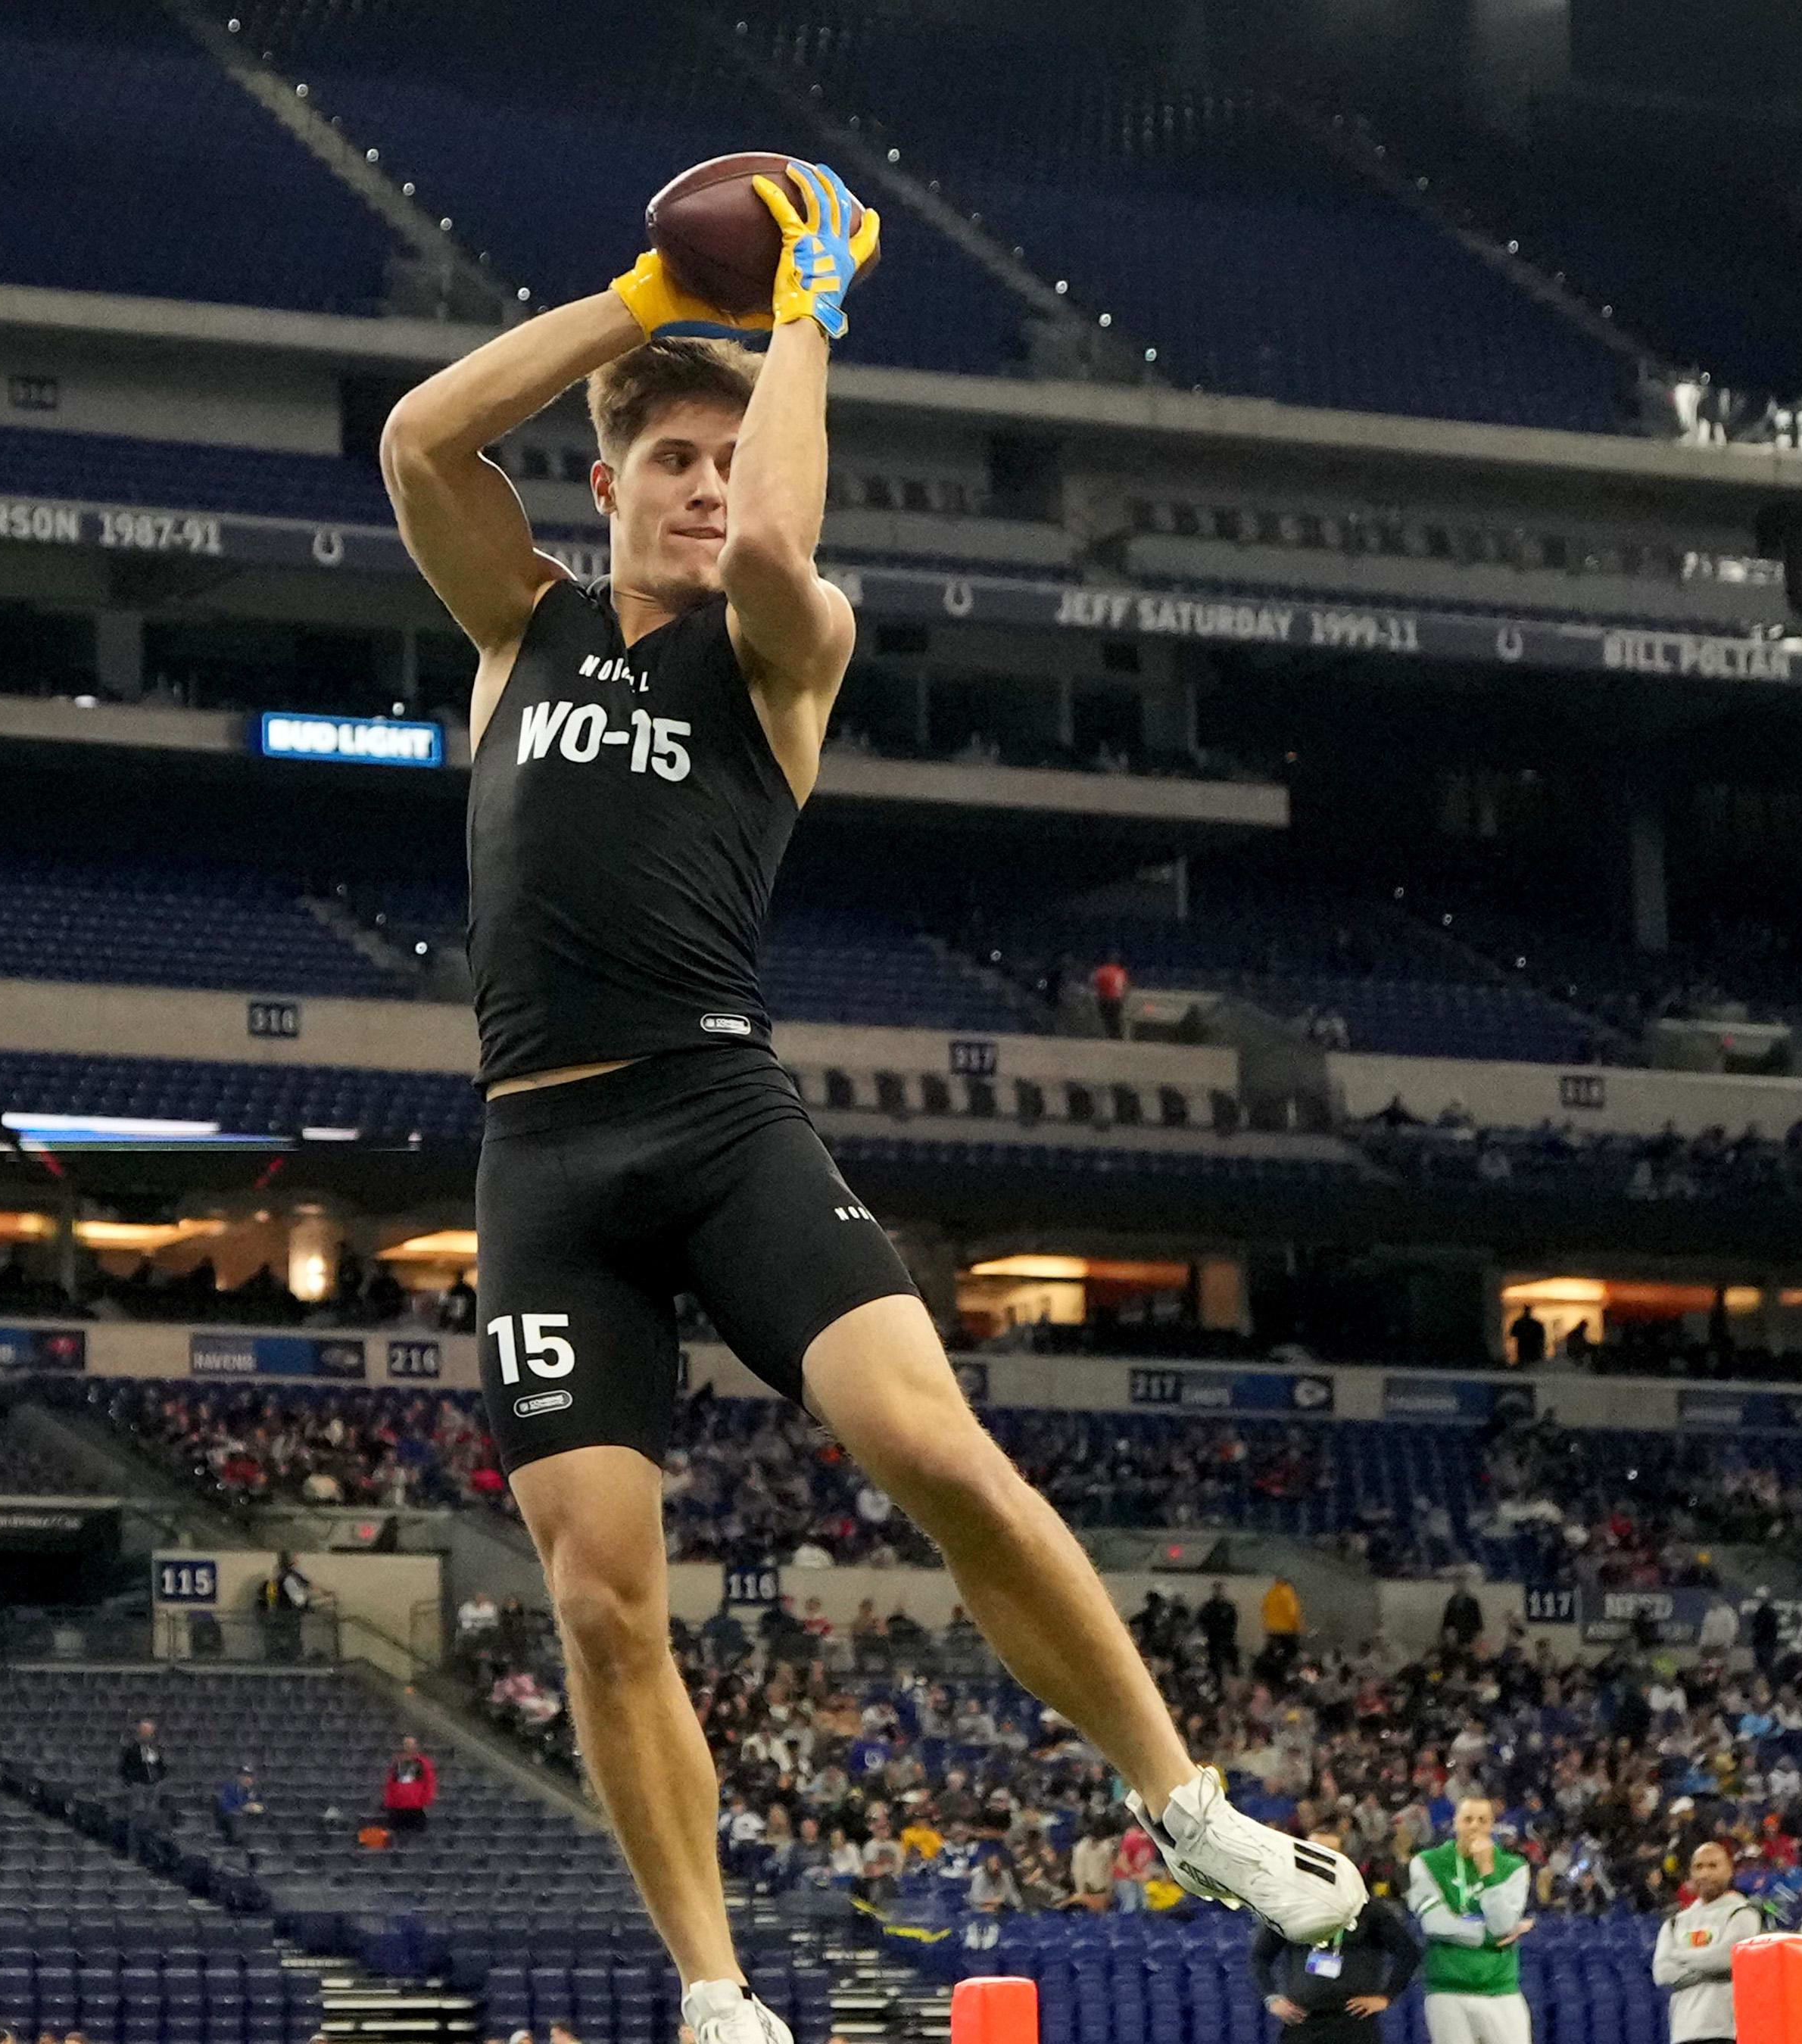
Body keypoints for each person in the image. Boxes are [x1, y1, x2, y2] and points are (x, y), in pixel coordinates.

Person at [375, 143, 1361, 2044]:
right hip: (545, 1157)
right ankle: (718, 1994)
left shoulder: (784, 649)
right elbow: (423, 436)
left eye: (727, 459)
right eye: (670, 458)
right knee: (596, 1600)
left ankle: (1181, 1798)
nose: (705, 487)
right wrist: (649, 311)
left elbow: (770, 552)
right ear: (604, 485)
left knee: (934, 1452)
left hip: (715, 1111)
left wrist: (804, 320)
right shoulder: (521, 632)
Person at [1255, 1832, 1423, 2044]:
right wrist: (1272, 1998)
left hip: (1354, 2025)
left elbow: (1409, 1953)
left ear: (1342, 1860)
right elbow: (1259, 1957)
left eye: (1329, 1853)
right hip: (1302, 2023)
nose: (1320, 1859)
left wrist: (1386, 1997)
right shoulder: (1288, 1909)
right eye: (1313, 1853)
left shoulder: (1366, 1909)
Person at [1409, 1796, 1533, 2044]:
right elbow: (1434, 1924)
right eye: (1467, 1819)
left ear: (1492, 1826)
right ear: (1455, 1823)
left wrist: (1488, 1872)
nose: (1474, 1826)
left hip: (1500, 1989)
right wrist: (1489, 1936)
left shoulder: (1514, 1867)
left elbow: (1502, 1924)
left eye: (1482, 1820)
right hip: (1447, 1990)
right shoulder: (1427, 1863)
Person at [1654, 1840, 1769, 2044]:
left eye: (1713, 1866)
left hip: (1727, 2031)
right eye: (1699, 1867)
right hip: (1683, 2031)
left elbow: (1728, 1958)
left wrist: (1679, 1957)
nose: (1705, 1873)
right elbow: (1663, 1973)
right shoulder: (1675, 1922)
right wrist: (1714, 1970)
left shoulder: (1742, 1912)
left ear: (1729, 1871)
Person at [382, 1733, 439, 1838]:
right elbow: (391, 1783)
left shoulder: (423, 1763)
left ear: (416, 1746)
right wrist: (389, 1801)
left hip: (416, 1807)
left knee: (417, 1837)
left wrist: (426, 1800)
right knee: (393, 1836)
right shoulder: (398, 1762)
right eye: (406, 1744)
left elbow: (430, 1783)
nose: (409, 1747)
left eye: (411, 1744)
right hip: (398, 1807)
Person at [120, 1718, 170, 1818]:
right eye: (145, 1732)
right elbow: (124, 1768)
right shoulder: (132, 1750)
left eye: (150, 1733)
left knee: (153, 1808)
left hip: (153, 1784)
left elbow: (160, 1765)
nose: (148, 1736)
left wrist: (161, 1777)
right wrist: (130, 1781)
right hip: (138, 1784)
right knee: (139, 1808)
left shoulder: (154, 1750)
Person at [1199, 1584, 1242, 1683]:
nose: (1219, 1593)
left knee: (1233, 1658)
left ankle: (1233, 1678)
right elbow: (1201, 1621)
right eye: (1217, 1590)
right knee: (1215, 1663)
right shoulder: (1208, 1607)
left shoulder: (1228, 1606)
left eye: (1220, 1590)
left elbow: (1234, 1621)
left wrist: (1230, 1632)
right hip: (1213, 1639)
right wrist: (1208, 1631)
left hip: (1227, 1638)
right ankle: (1216, 1681)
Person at [1261, 1577, 1305, 1673]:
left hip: (1272, 1630)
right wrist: (1298, 1629)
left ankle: (1268, 1672)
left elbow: (1264, 1609)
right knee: (1290, 1654)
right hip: (1287, 1631)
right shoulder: (1289, 1593)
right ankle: (1286, 1673)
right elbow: (1294, 1613)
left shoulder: (1271, 1593)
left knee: (1272, 1652)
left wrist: (1268, 1626)